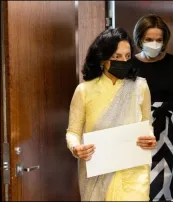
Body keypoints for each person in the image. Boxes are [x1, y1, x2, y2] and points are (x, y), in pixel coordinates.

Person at [65, 28, 156, 201]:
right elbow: (73, 132)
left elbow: (147, 125)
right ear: (103, 58)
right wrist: (76, 148)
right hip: (97, 171)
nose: (123, 61)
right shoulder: (84, 91)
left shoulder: (140, 87)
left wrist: (150, 138)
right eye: (116, 57)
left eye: (127, 56)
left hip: (133, 173)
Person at [132, 14, 173, 201]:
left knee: (166, 182)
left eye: (158, 40)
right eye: (149, 39)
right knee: (139, 183)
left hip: (168, 131)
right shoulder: (129, 65)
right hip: (137, 130)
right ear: (140, 39)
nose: (154, 43)